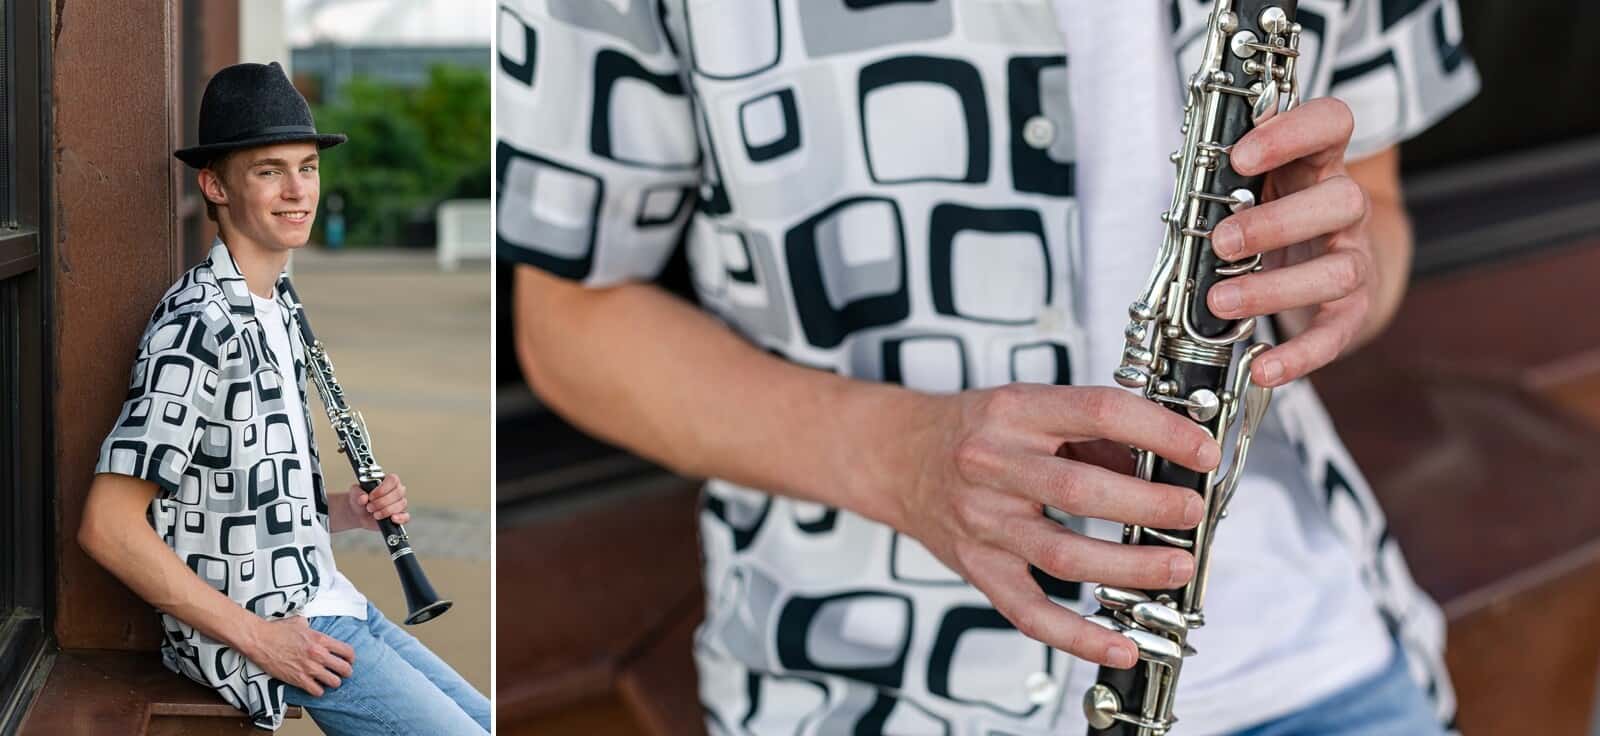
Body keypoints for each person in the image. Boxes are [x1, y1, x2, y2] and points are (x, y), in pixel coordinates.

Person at [502, 1, 1480, 734]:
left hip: (1310, 659)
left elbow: (1375, 208)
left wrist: (1315, 275)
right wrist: (900, 455)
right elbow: (566, 321)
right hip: (874, 689)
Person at [78, 61, 489, 734]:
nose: (298, 190)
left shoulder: (279, 307)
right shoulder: (198, 326)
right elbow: (108, 527)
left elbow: (238, 498)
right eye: (270, 171)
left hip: (331, 598)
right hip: (278, 626)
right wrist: (263, 641)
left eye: (308, 167)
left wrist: (345, 510)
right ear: (215, 185)